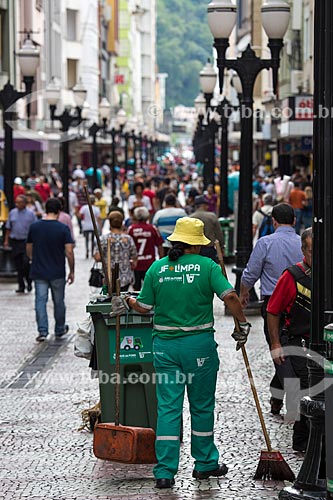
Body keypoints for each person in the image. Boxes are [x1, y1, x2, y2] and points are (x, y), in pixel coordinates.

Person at [121, 217, 251, 488]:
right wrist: (242, 324)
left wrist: (129, 300)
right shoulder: (208, 266)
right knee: (202, 406)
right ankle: (204, 463)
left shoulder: (157, 269)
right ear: (198, 244)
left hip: (165, 348)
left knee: (168, 408)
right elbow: (230, 297)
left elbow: (144, 308)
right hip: (199, 347)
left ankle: (165, 471)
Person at [240, 203, 303, 415]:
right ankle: (277, 398)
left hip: (273, 306)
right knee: (289, 350)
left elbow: (250, 273)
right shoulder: (304, 242)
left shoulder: (265, 243)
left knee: (280, 353)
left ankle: (292, 399)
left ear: (273, 221)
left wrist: (244, 293)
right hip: (301, 304)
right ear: (294, 220)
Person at [267, 227, 312, 452]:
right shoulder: (292, 276)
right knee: (302, 392)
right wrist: (275, 344)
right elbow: (273, 310)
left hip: (322, 343)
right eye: (312, 251)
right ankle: (303, 441)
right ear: (303, 250)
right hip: (297, 342)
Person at [26, 198, 75, 342]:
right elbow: (69, 252)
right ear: (59, 211)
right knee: (58, 301)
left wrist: (31, 259)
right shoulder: (62, 228)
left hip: (39, 269)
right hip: (57, 271)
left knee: (40, 301)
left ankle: (42, 331)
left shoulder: (34, 227)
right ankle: (59, 328)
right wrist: (72, 270)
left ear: (45, 209)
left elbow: (29, 247)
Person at [94, 211, 137, 291]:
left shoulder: (103, 239)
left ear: (110, 223)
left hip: (108, 277)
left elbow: (97, 257)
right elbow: (134, 257)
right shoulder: (128, 239)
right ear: (122, 223)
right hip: (125, 277)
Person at [4, 195, 37, 293]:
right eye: (16, 202)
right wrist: (6, 240)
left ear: (24, 203)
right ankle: (21, 285)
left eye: (19, 202)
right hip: (15, 241)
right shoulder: (12, 213)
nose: (17, 204)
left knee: (26, 263)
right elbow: (8, 228)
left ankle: (29, 280)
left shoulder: (31, 214)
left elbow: (35, 228)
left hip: (26, 242)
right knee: (17, 264)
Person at [128, 206, 164, 290]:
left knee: (136, 290)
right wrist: (161, 260)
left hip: (135, 264)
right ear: (147, 216)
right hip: (150, 263)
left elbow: (128, 247)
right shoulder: (152, 228)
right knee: (151, 288)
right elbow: (160, 245)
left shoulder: (131, 229)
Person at [190, 195, 224, 262]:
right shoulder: (212, 216)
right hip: (209, 248)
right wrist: (222, 246)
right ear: (203, 205)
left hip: (194, 249)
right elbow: (218, 233)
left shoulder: (190, 218)